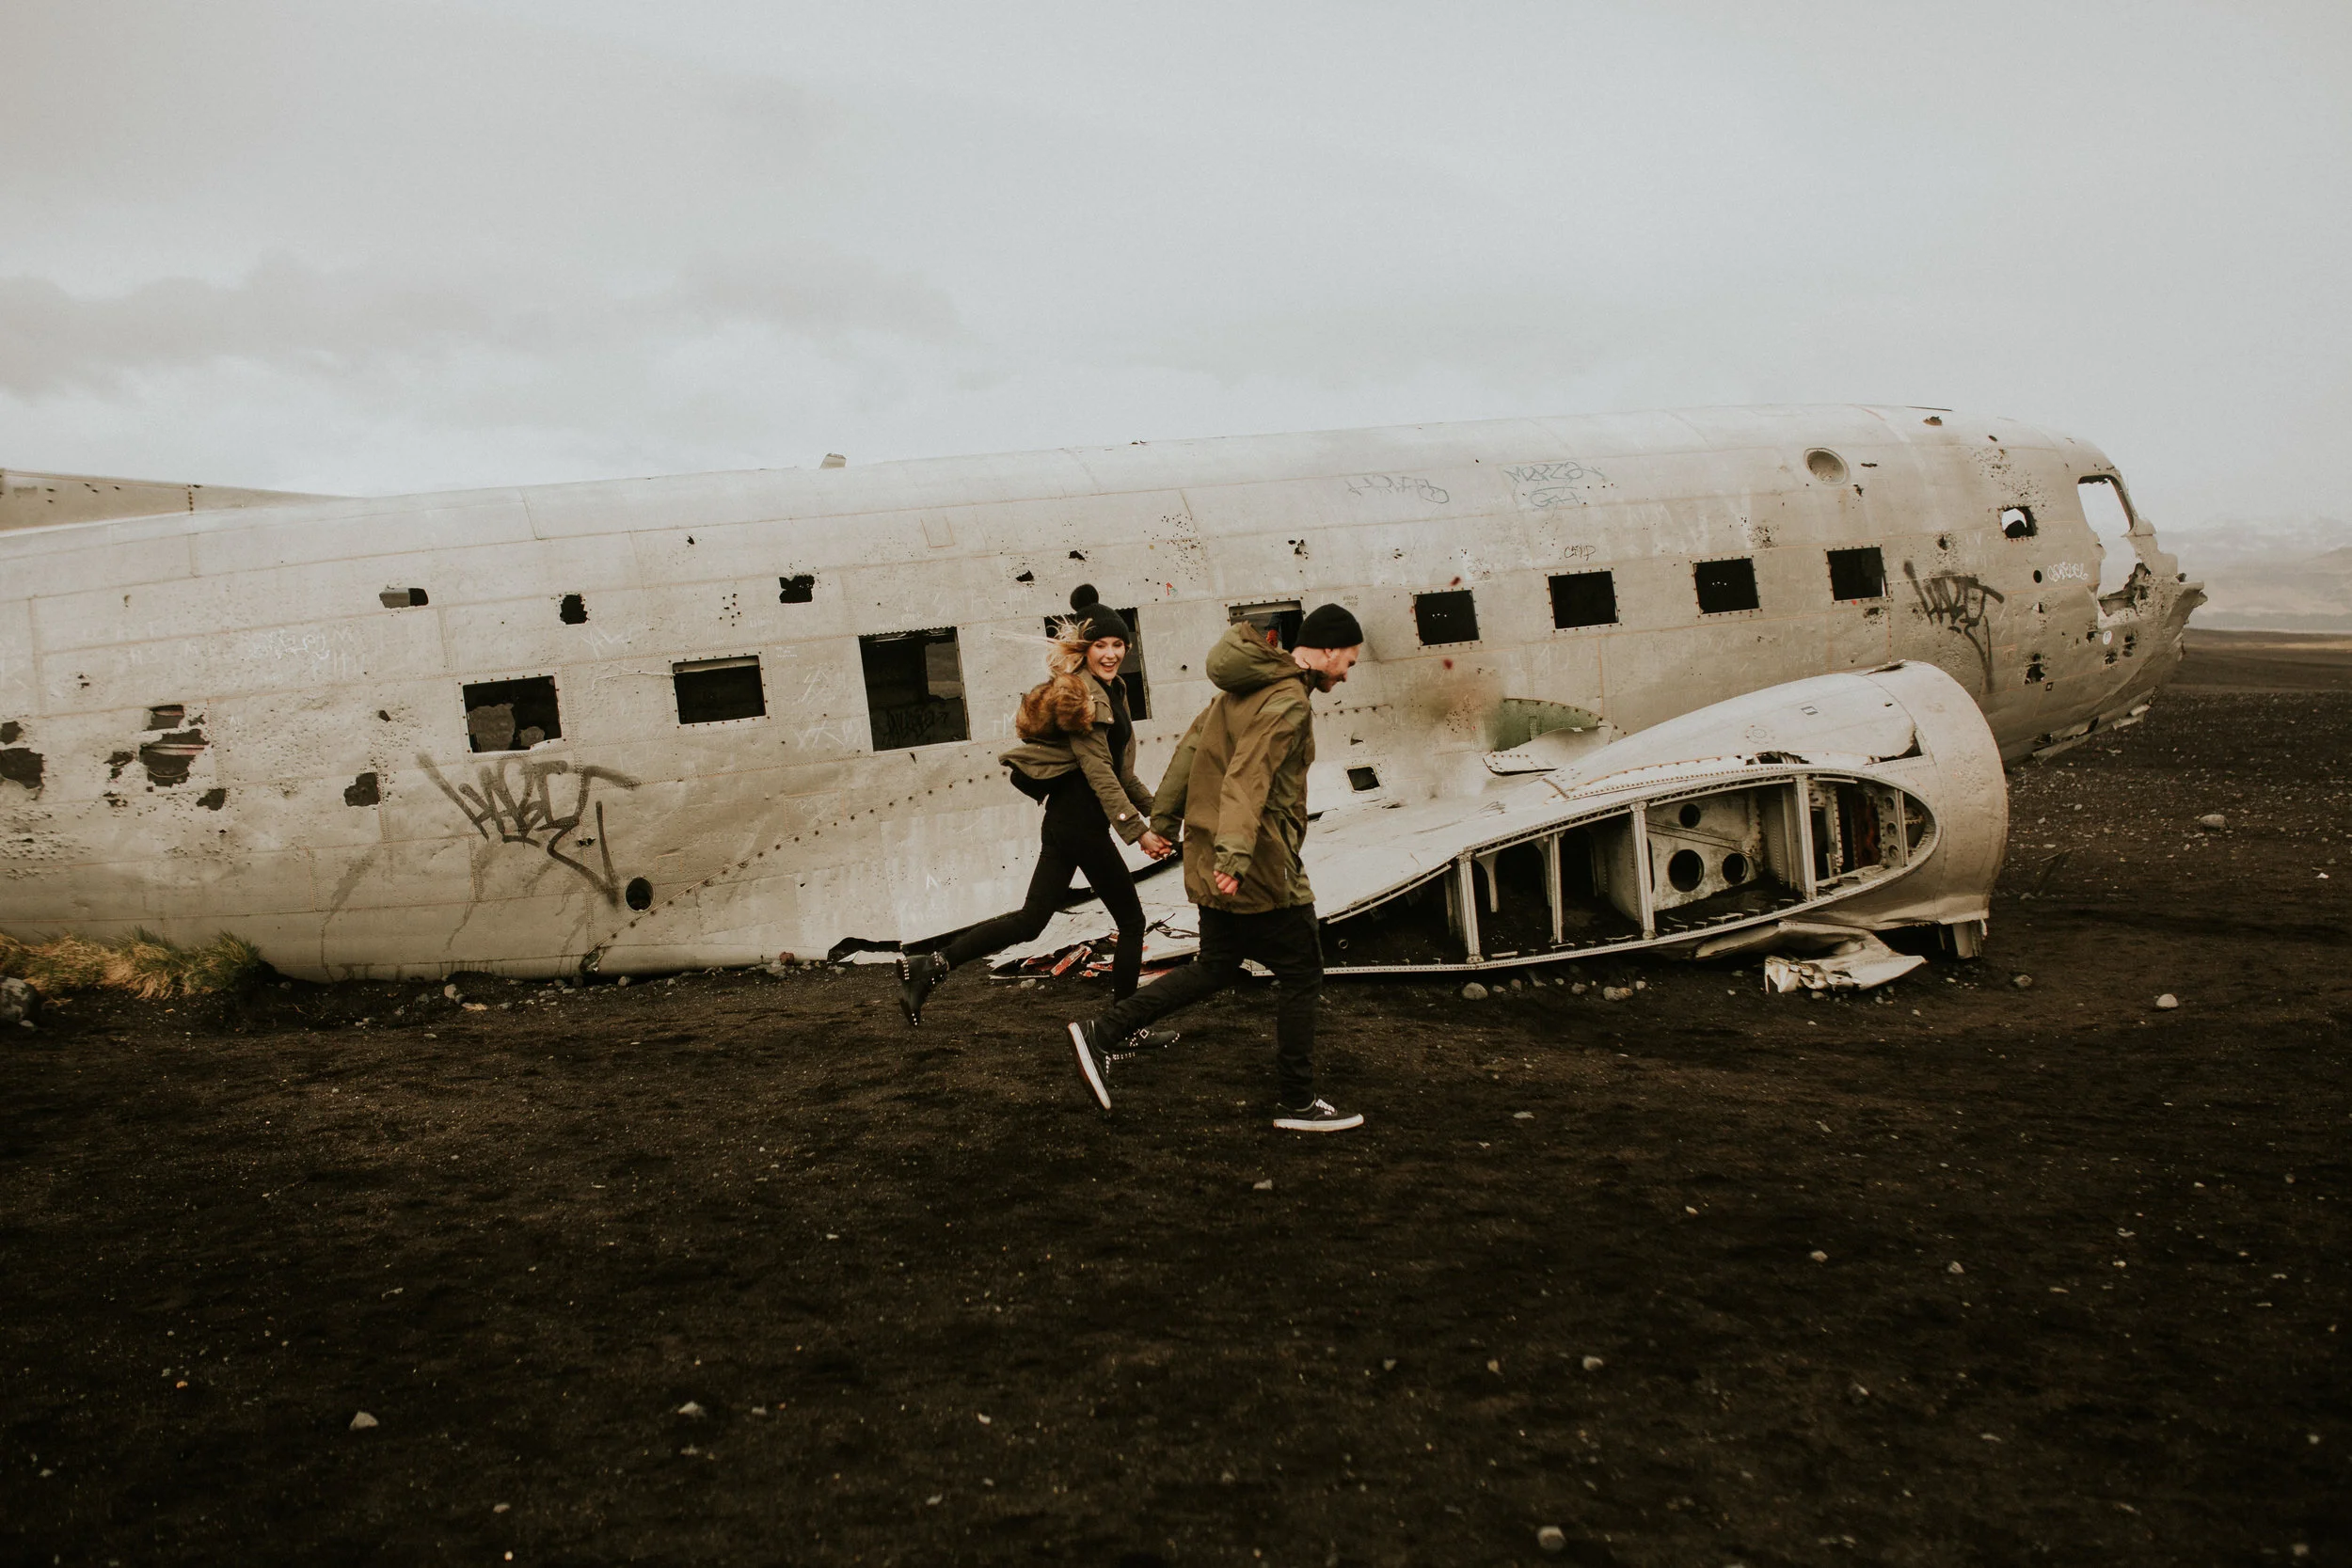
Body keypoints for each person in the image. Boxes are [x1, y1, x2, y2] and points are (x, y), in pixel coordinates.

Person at [1065, 603, 1366, 1132]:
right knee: (1302, 971)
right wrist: (1235, 857)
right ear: (1331, 651)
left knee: (1217, 964)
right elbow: (1248, 776)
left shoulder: (1239, 688)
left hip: (1215, 851)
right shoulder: (1289, 699)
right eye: (1350, 661)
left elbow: (1188, 752)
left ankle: (1103, 1032)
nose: (1348, 673)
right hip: (1258, 861)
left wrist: (1163, 820)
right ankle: (1298, 1101)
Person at [897, 587, 1176, 1025]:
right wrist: (1138, 830)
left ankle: (930, 966)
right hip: (1080, 825)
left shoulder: (1114, 688)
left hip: (1068, 823)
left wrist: (1160, 812)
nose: (1110, 653)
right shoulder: (1079, 699)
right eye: (1099, 645)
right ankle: (1124, 1028)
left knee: (1031, 922)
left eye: (1117, 644)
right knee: (1133, 921)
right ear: (1083, 649)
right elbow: (1098, 770)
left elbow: (1121, 771)